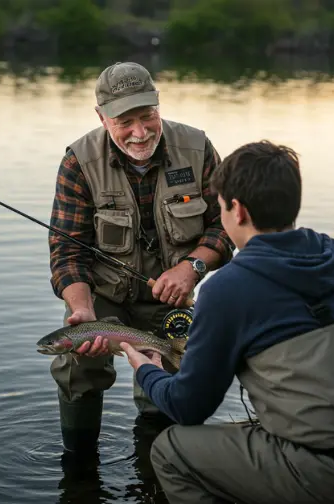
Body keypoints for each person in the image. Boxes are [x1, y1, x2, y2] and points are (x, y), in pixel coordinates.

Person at [120, 140, 334, 504]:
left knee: (171, 450)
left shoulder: (227, 289)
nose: (221, 218)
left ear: (238, 210)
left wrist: (147, 370)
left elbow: (189, 407)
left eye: (220, 209)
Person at [47, 61, 234, 453]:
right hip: (104, 295)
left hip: (172, 298)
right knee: (77, 367)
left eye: (147, 116)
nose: (140, 132)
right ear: (101, 117)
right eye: (124, 121)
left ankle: (157, 464)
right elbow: (67, 250)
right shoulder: (78, 162)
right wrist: (81, 310)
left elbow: (226, 226)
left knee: (169, 380)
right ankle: (80, 469)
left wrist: (192, 266)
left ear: (158, 104)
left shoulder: (197, 148)